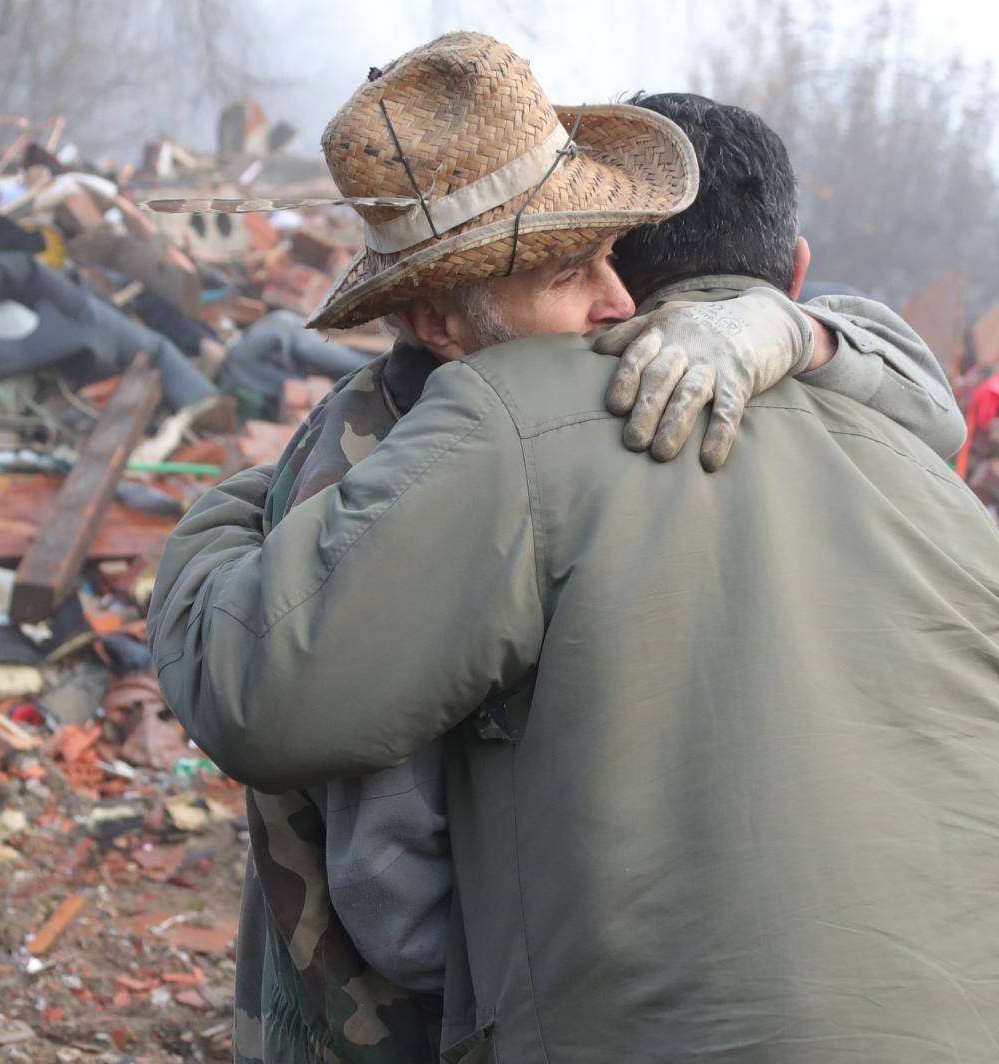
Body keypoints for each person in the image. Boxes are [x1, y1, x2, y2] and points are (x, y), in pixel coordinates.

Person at [152, 34, 992, 1064]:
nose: (618, 304)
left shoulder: (511, 422)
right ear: (437, 319)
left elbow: (323, 787)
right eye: (569, 263)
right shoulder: (916, 465)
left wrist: (240, 509)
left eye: (611, 253)